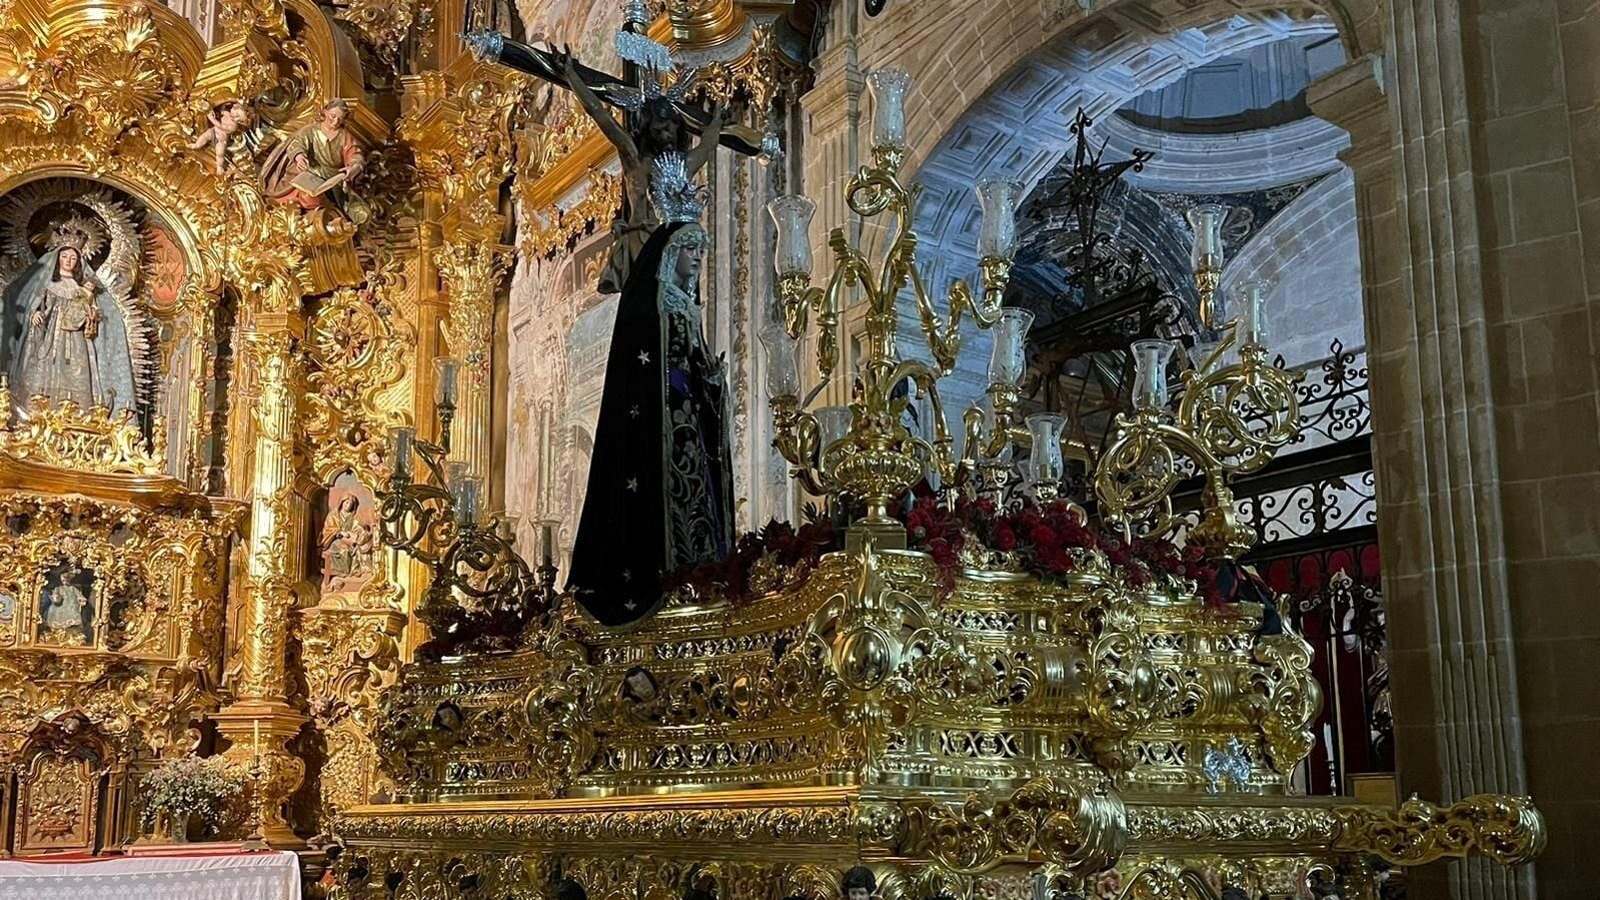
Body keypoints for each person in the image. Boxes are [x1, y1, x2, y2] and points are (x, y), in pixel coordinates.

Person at [564, 212, 734, 626]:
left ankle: (701, 572)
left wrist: (710, 380)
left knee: (696, 494)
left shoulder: (686, 308)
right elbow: (645, 364)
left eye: (701, 251)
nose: (697, 258)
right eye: (690, 249)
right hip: (659, 421)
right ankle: (667, 574)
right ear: (672, 251)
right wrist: (683, 381)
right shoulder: (649, 303)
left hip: (686, 422)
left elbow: (693, 363)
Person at [554, 45, 724, 294]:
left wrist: (718, 116)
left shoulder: (683, 164)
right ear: (648, 131)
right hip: (639, 242)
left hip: (672, 244)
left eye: (669, 129)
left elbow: (709, 143)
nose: (665, 135)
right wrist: (571, 76)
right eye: (658, 130)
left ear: (678, 129)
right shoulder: (634, 159)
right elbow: (600, 114)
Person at [4, 243, 136, 414]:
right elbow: (32, 305)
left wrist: (91, 315)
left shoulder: (81, 288)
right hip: (47, 340)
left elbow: (95, 312)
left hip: (75, 341)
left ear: (78, 263)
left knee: (78, 371)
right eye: (65, 256)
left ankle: (77, 416)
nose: (68, 261)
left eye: (73, 258)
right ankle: (35, 417)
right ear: (57, 258)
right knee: (41, 373)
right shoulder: (46, 283)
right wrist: (33, 315)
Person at [260, 99, 369, 225]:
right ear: (325, 111)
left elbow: (356, 155)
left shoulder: (344, 136)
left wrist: (353, 168)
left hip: (333, 182)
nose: (335, 121)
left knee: (362, 214)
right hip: (309, 174)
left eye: (340, 118)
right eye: (333, 116)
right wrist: (299, 157)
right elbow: (297, 144)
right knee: (308, 197)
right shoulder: (310, 131)